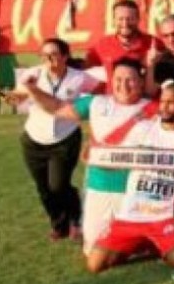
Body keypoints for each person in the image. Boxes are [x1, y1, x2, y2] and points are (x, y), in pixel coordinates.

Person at [20, 57, 158, 253]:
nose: (124, 85)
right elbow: (58, 108)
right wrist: (33, 90)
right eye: (118, 79)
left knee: (140, 247)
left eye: (131, 79)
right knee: (92, 250)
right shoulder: (96, 103)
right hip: (98, 187)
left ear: (142, 81)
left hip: (136, 191)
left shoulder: (155, 109)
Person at [85, 81, 174, 279]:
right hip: (131, 213)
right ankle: (142, 243)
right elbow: (117, 155)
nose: (164, 107)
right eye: (162, 101)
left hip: (164, 214)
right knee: (95, 264)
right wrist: (95, 154)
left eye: (171, 102)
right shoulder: (143, 129)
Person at [5, 38, 101, 239]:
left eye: (54, 54)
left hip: (65, 138)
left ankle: (75, 216)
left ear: (65, 56)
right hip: (34, 139)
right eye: (44, 55)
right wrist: (13, 97)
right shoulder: (33, 74)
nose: (48, 59)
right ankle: (59, 224)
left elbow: (101, 91)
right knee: (44, 188)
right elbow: (20, 95)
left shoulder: (79, 77)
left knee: (58, 184)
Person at [85, 0, 158, 83]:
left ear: (138, 19)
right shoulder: (102, 44)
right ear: (114, 20)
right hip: (112, 95)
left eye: (130, 19)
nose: (125, 23)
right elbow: (85, 70)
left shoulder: (153, 43)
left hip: (144, 95)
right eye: (120, 19)